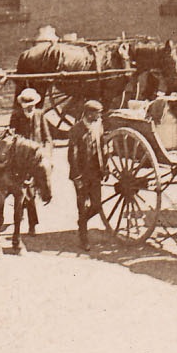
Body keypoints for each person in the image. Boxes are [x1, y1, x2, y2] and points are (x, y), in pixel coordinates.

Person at [68, 99, 106, 250]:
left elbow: (102, 146)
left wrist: (105, 167)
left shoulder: (99, 125)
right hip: (81, 174)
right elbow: (72, 155)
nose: (99, 115)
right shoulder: (76, 130)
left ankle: (81, 221)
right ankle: (84, 238)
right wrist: (77, 177)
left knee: (97, 205)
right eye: (97, 113)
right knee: (82, 206)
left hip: (95, 172)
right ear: (89, 114)